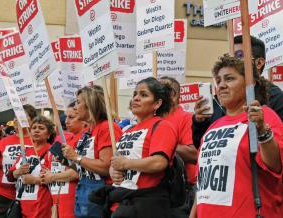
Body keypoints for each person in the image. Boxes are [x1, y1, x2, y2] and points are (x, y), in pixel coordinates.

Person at [190, 54, 283, 218]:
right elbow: (203, 184)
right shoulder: (213, 126)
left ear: (249, 84)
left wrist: (262, 129)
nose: (222, 85)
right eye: (218, 81)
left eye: (229, 79)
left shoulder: (265, 115)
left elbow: (276, 165)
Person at [192, 35, 283, 149]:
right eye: (219, 81)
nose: (232, 61)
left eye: (239, 56)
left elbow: (275, 157)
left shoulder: (274, 98)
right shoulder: (217, 101)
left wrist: (261, 129)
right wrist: (200, 122)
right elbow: (201, 145)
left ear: (259, 63)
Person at [108, 77, 177, 218]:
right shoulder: (127, 131)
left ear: (157, 103)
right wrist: (112, 171)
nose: (136, 98)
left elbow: (159, 162)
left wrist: (126, 163)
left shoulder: (162, 126)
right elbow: (116, 160)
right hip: (120, 204)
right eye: (135, 94)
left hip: (145, 206)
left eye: (143, 95)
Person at [61, 85, 122, 218]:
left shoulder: (107, 128)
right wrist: (68, 161)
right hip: (84, 189)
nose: (75, 107)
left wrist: (77, 157)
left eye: (78, 102)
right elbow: (84, 168)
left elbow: (106, 167)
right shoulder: (87, 131)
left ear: (91, 104)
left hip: (100, 193)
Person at [160, 76, 198, 217]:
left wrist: (162, 144)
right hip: (161, 191)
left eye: (159, 89)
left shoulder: (186, 118)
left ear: (173, 96)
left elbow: (194, 154)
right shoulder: (155, 119)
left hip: (182, 192)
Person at [41, 102, 85, 218]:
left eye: (71, 117)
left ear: (84, 118)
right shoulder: (64, 141)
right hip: (57, 199)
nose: (66, 121)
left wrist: (53, 177)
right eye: (66, 117)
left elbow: (78, 171)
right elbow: (46, 170)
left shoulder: (85, 139)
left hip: (75, 199)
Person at [7, 116, 56, 218]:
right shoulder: (26, 150)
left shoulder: (52, 152)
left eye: (41, 128)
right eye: (34, 128)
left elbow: (56, 179)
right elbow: (10, 176)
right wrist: (18, 171)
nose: (36, 130)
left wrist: (35, 180)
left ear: (49, 134)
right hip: (21, 203)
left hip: (40, 204)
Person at [0, 104, 37, 218]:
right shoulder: (4, 142)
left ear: (32, 121)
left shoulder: (36, 141)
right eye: (15, 118)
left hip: (29, 195)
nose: (17, 121)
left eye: (22, 118)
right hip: (4, 195)